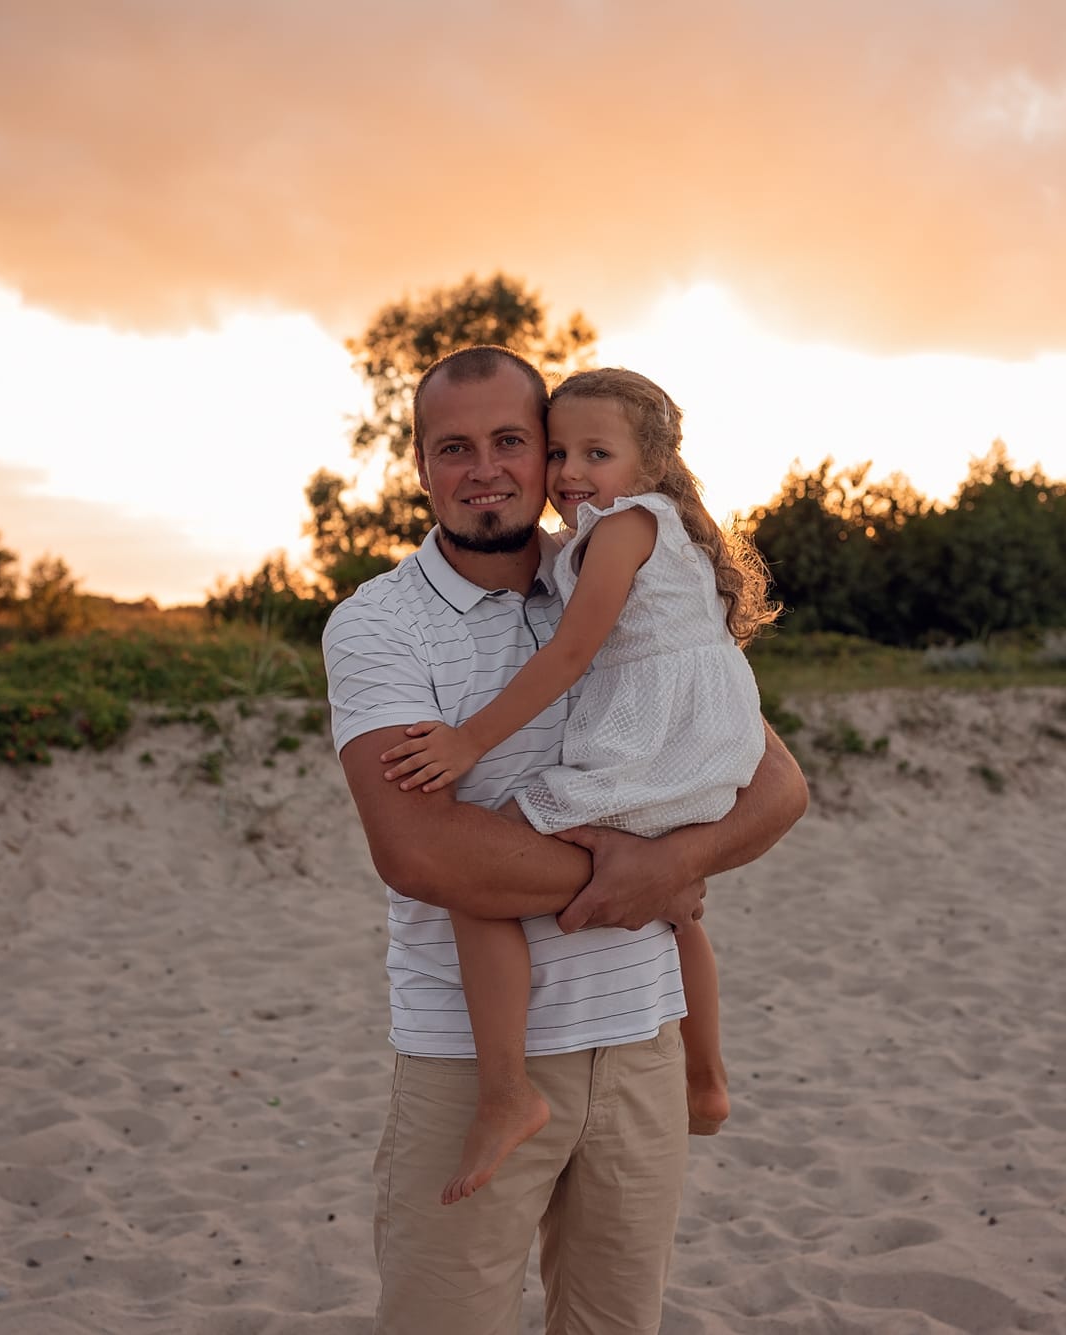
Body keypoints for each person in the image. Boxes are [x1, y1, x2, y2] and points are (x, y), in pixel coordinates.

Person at [323, 345, 807, 1335]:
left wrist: (673, 862)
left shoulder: (621, 573)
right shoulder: (379, 625)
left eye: (511, 441)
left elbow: (775, 786)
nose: (485, 469)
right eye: (453, 448)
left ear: (547, 451)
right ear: (419, 464)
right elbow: (422, 854)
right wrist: (633, 877)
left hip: (640, 1044)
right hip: (469, 1066)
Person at [376, 366, 773, 1208]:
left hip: (649, 748)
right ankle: (707, 1077)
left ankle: (506, 1090)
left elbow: (570, 654)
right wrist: (666, 867)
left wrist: (469, 740)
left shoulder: (620, 533)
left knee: (476, 876)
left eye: (596, 453)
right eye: (560, 452)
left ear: (652, 462)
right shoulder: (671, 532)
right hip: (706, 747)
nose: (569, 473)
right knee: (680, 908)